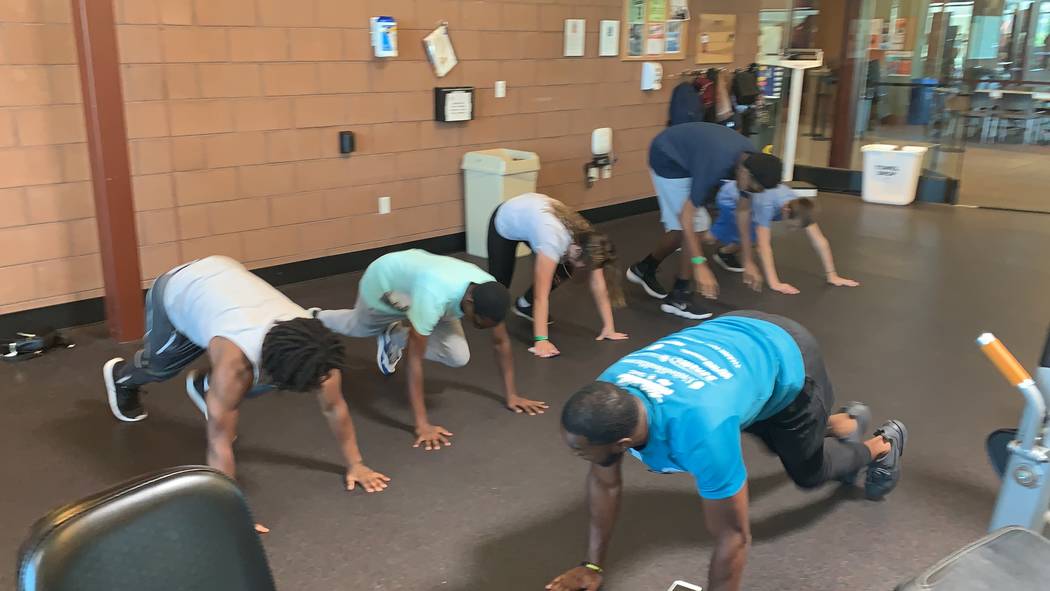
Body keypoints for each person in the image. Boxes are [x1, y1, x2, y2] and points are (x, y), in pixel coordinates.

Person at [546, 311, 907, 591]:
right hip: (734, 348)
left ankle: (881, 444)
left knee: (808, 472)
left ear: (623, 444)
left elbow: (734, 537)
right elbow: (605, 482)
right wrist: (591, 565)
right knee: (771, 440)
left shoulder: (701, 432)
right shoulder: (609, 393)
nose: (576, 455)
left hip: (787, 356)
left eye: (581, 451)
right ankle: (843, 422)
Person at [102, 255, 390, 500]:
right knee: (160, 367)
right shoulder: (235, 364)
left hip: (224, 285)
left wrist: (357, 463)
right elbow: (218, 442)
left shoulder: (314, 346)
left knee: (245, 387)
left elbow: (334, 407)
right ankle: (120, 378)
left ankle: (207, 387)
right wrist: (232, 511)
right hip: (180, 291)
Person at [316, 249, 547, 450]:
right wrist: (422, 424)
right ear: (469, 302)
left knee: (458, 356)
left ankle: (394, 336)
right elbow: (414, 361)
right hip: (386, 285)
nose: (480, 328)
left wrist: (512, 395)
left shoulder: (488, 292)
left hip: (422, 286)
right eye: (478, 322)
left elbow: (501, 342)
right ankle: (314, 317)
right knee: (358, 327)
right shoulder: (434, 296)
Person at [625, 122, 783, 320]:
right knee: (696, 226)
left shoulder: (751, 161)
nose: (750, 192)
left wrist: (749, 260)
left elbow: (743, 211)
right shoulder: (716, 166)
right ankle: (678, 297)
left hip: (689, 156)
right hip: (667, 158)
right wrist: (700, 264)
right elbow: (686, 216)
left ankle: (644, 268)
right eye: (752, 188)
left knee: (681, 231)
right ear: (745, 173)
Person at [487, 192, 628, 359]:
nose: (584, 268)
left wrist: (609, 327)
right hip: (506, 220)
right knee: (498, 289)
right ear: (577, 248)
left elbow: (598, 283)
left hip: (532, 217)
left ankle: (524, 305)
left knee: (564, 269)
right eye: (584, 265)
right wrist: (541, 341)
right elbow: (542, 295)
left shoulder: (591, 240)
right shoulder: (552, 240)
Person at [709, 181, 859, 294]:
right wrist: (775, 283)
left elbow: (820, 240)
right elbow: (764, 248)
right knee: (719, 238)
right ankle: (694, 248)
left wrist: (832, 275)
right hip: (730, 199)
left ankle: (724, 252)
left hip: (751, 202)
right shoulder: (766, 205)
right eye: (792, 226)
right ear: (786, 210)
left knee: (752, 238)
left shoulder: (800, 206)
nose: (793, 230)